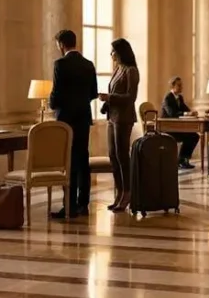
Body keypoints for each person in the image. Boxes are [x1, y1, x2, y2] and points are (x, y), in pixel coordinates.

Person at [48, 29, 98, 218]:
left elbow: (56, 93)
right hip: (84, 117)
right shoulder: (88, 64)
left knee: (68, 161)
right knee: (82, 159)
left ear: (61, 44)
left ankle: (68, 206)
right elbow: (93, 93)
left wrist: (52, 104)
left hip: (66, 119)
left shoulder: (60, 64)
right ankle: (83, 204)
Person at [101, 38, 140, 212]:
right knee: (112, 156)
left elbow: (131, 97)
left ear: (120, 52)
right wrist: (107, 100)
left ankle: (128, 192)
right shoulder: (118, 69)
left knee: (122, 155)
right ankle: (119, 192)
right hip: (112, 117)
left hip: (124, 118)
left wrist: (110, 98)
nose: (111, 55)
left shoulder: (131, 71)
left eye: (113, 51)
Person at [161, 76, 197, 170]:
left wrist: (191, 112)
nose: (181, 87)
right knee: (190, 136)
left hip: (177, 127)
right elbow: (172, 113)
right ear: (172, 86)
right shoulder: (167, 98)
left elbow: (185, 109)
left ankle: (182, 160)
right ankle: (181, 160)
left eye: (182, 85)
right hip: (168, 128)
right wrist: (186, 113)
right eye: (179, 85)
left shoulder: (180, 97)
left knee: (194, 136)